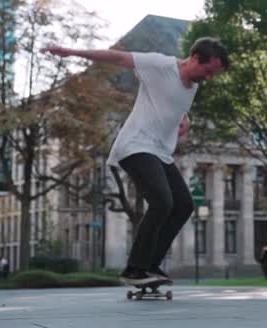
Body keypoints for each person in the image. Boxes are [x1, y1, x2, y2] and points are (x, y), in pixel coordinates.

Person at [41, 37, 229, 286]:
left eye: (213, 74)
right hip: (135, 146)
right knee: (162, 202)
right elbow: (117, 57)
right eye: (207, 71)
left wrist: (185, 120)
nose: (208, 78)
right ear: (195, 58)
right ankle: (134, 269)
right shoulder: (159, 65)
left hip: (161, 152)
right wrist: (71, 51)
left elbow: (176, 106)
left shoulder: (193, 87)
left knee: (183, 205)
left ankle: (150, 266)